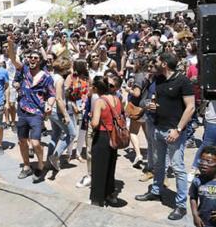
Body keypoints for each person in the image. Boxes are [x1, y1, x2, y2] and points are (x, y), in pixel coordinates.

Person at [135, 52, 195, 221]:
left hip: (174, 132)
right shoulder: (158, 79)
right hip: (158, 129)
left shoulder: (183, 81)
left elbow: (190, 108)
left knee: (177, 167)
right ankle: (155, 191)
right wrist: (150, 105)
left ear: (165, 64)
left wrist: (178, 129)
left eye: (158, 60)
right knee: (159, 164)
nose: (155, 63)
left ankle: (181, 205)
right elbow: (153, 100)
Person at [8, 42, 56, 183]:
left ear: (40, 60)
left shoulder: (46, 77)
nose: (32, 59)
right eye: (30, 57)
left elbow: (52, 94)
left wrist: (49, 105)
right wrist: (11, 45)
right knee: (22, 141)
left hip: (37, 113)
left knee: (35, 143)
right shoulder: (24, 70)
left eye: (35, 57)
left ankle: (41, 164)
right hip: (22, 111)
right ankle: (27, 166)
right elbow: (12, 59)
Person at [89, 76, 121, 207]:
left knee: (98, 169)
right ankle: (110, 194)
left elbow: (95, 123)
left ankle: (97, 199)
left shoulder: (99, 101)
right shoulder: (116, 99)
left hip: (102, 136)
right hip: (114, 136)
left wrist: (91, 118)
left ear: (96, 88)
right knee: (110, 166)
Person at [190, 146, 216, 227]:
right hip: (203, 221)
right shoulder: (197, 181)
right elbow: (193, 197)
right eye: (202, 160)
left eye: (209, 161)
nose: (204, 164)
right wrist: (195, 215)